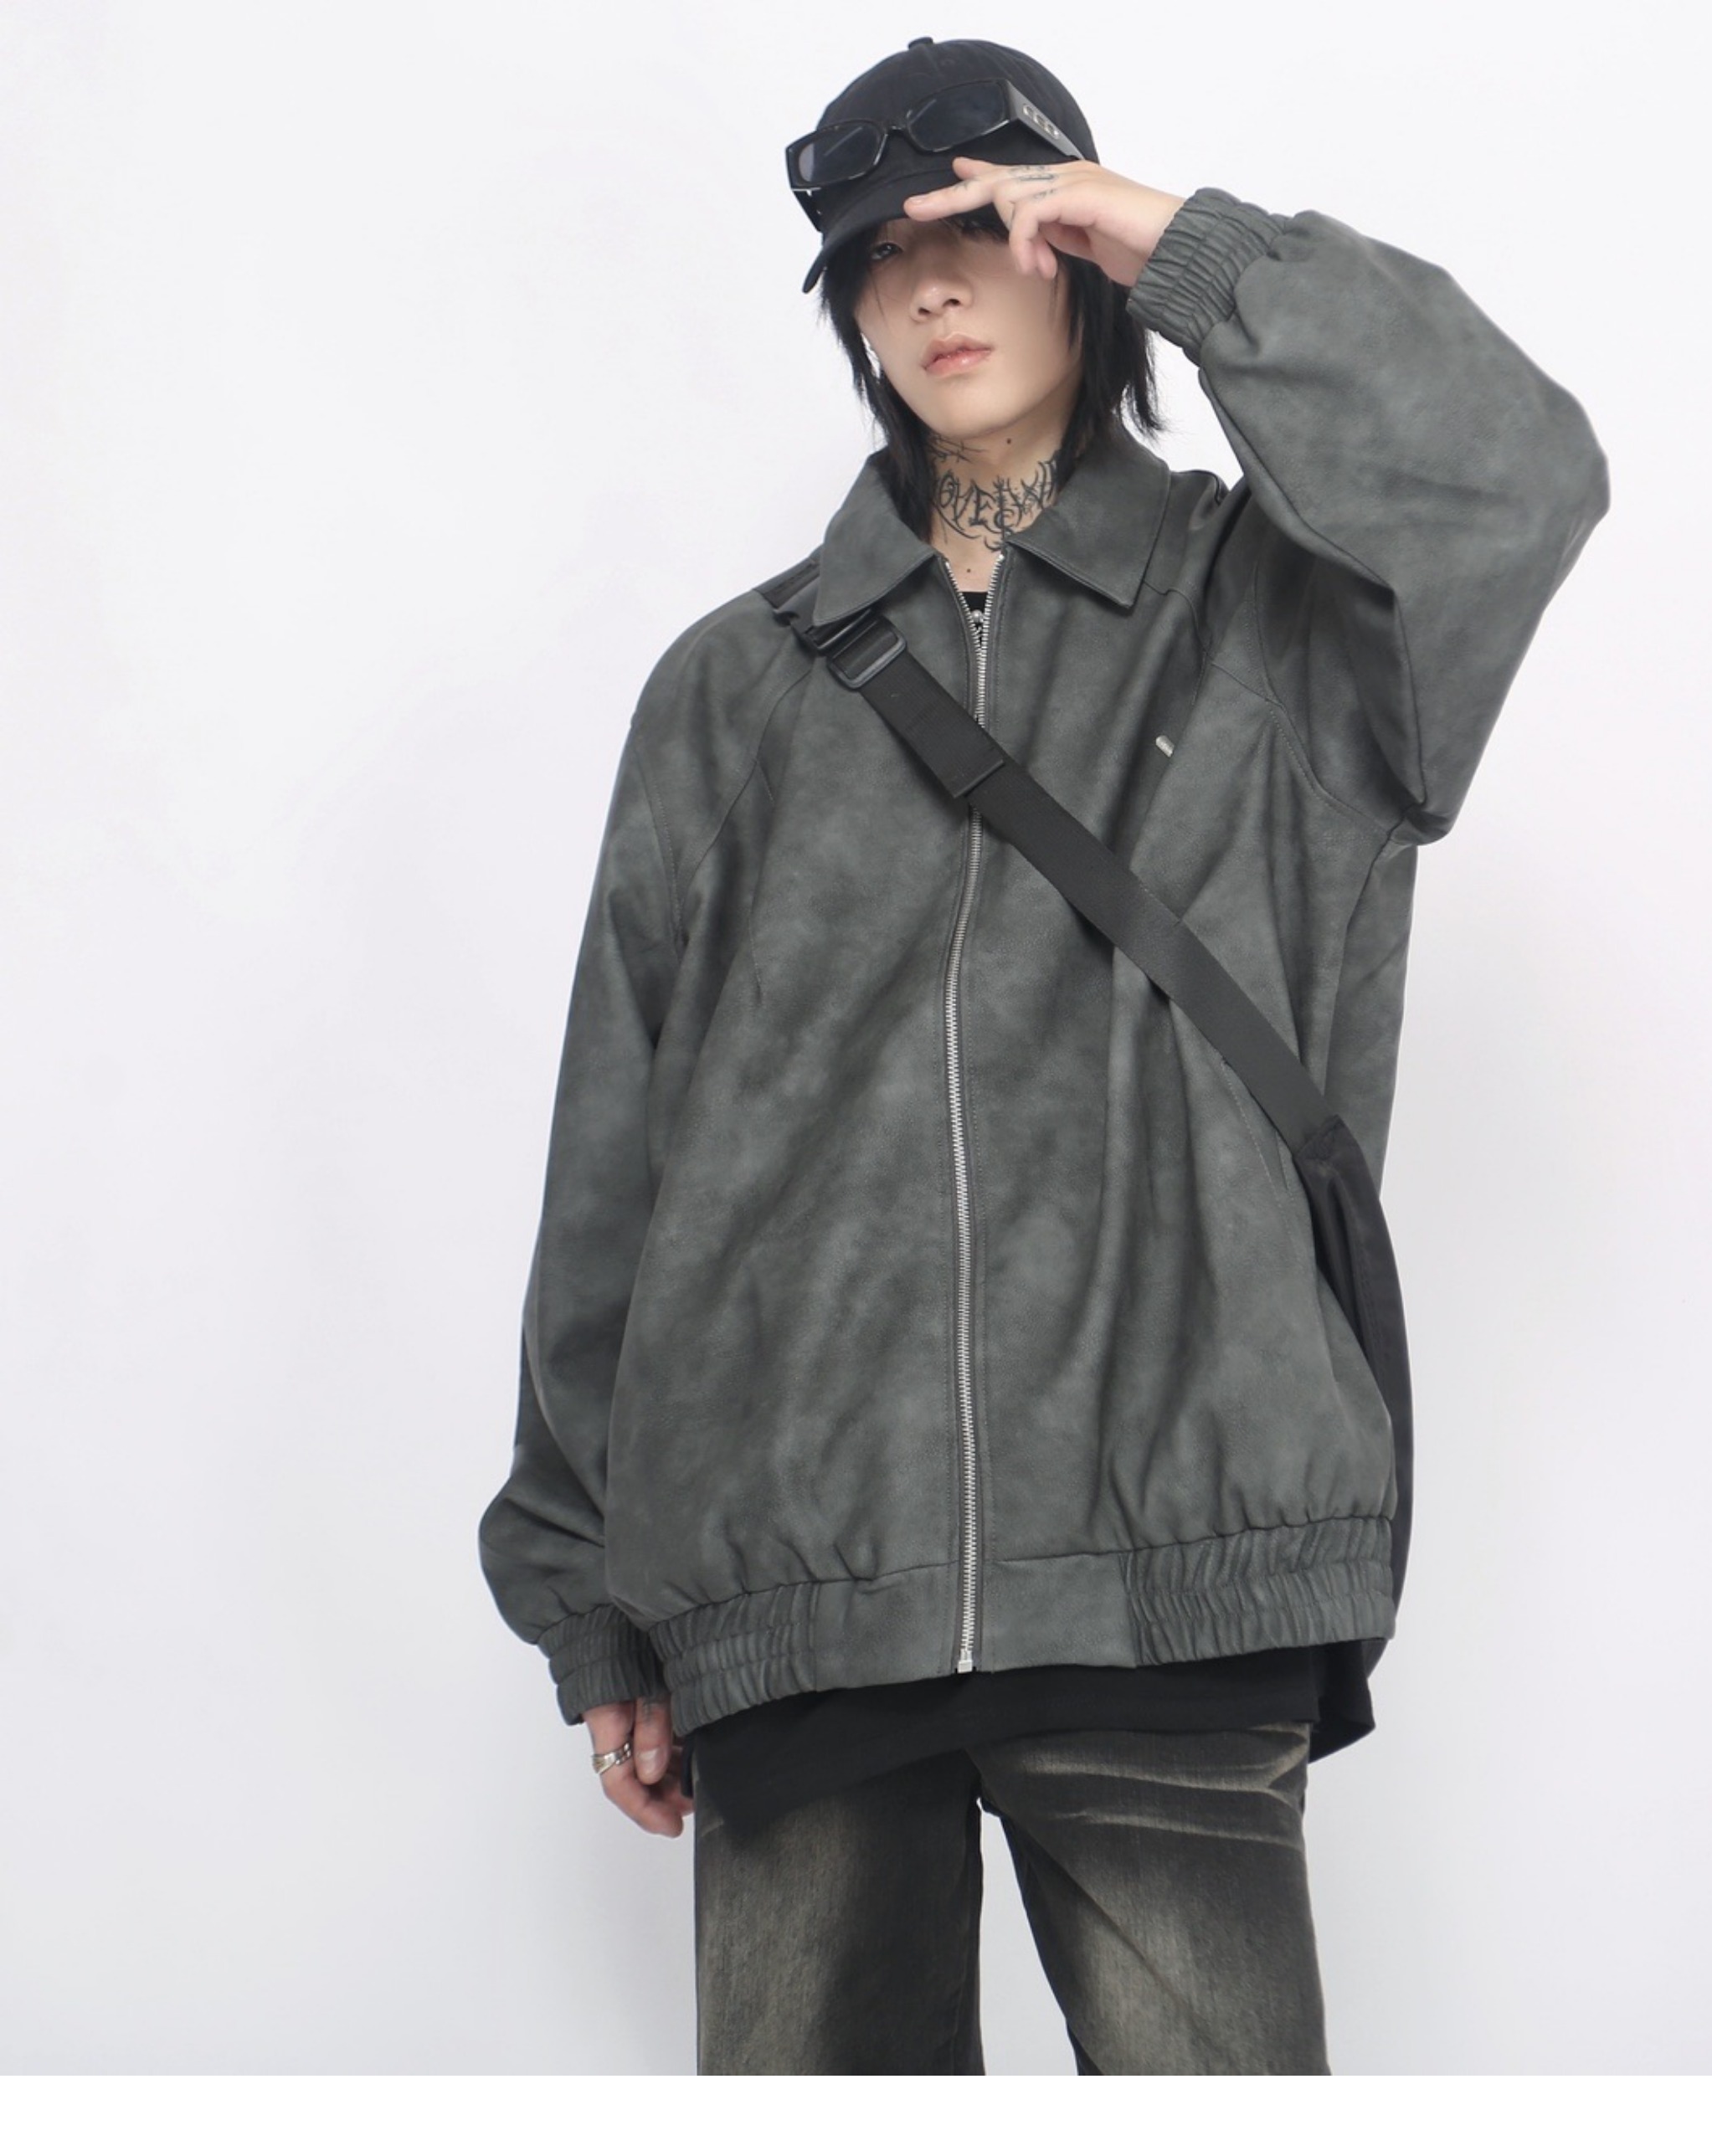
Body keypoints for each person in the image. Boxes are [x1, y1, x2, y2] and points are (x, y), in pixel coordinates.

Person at [478, 34, 1608, 2075]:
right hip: (801, 1588)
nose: (928, 284)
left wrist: (1174, 241)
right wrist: (592, 1592)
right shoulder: (731, 695)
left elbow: (1513, 473)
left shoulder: (1284, 629)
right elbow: (617, 1156)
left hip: (1173, 1574)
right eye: (874, 256)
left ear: (1073, 259)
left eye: (980, 231)